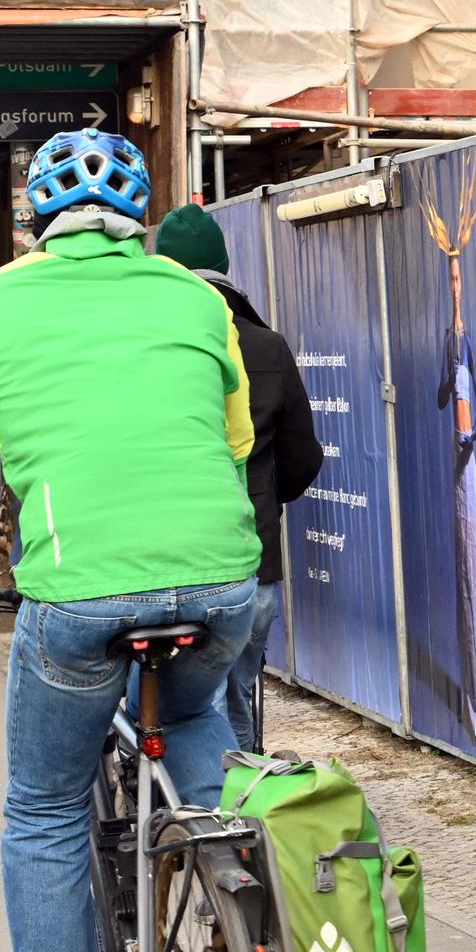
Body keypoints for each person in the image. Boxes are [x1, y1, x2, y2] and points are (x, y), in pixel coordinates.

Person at [0, 128, 262, 952]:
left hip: (81, 594)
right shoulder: (194, 298)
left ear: (35, 219)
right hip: (223, 581)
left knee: (45, 811)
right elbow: (234, 445)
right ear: (140, 217)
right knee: (196, 713)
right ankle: (243, 872)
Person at [155, 203, 323, 753]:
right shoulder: (267, 345)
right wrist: (266, 498)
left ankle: (156, 806)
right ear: (224, 266)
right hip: (252, 564)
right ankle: (241, 817)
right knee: (237, 694)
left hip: (159, 564)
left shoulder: (145, 344)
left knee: (160, 700)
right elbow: (303, 458)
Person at [435, 217, 476, 744]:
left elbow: (467, 413)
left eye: (459, 281)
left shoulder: (465, 346)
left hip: (468, 477)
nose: (456, 289)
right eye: (452, 281)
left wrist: (467, 433)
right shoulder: (453, 346)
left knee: (472, 581)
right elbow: (452, 401)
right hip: (464, 477)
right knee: (467, 581)